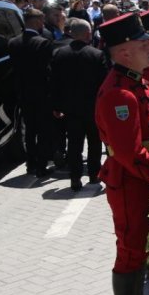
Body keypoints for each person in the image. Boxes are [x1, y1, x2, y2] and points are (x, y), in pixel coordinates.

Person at [95, 12, 149, 295]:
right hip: (129, 183)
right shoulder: (119, 94)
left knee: (140, 249)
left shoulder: (137, 79)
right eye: (142, 43)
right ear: (123, 52)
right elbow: (130, 154)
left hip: (140, 179)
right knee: (130, 250)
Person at [50, 18, 107, 191]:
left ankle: (75, 177)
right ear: (87, 34)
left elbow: (54, 82)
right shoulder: (96, 55)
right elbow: (103, 84)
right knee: (94, 142)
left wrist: (56, 106)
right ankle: (94, 173)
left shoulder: (59, 54)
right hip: (92, 108)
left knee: (74, 144)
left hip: (70, 109)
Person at [7, 8, 56, 177]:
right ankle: (41, 166)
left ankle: (30, 163)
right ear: (35, 22)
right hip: (42, 93)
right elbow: (48, 72)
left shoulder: (13, 43)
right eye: (41, 21)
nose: (43, 24)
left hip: (23, 93)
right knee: (43, 130)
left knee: (29, 129)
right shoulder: (42, 43)